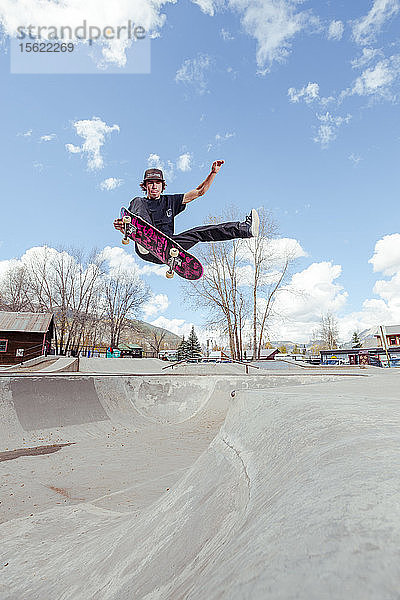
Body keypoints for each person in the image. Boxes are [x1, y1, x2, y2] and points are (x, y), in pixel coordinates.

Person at [113, 160, 259, 264]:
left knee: (199, 232)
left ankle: (244, 229)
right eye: (150, 183)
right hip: (145, 249)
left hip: (168, 247)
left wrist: (213, 173)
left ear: (162, 186)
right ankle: (144, 235)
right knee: (137, 201)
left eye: (157, 183)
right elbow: (126, 222)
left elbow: (199, 192)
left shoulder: (171, 201)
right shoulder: (139, 203)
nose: (154, 187)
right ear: (145, 186)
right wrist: (124, 228)